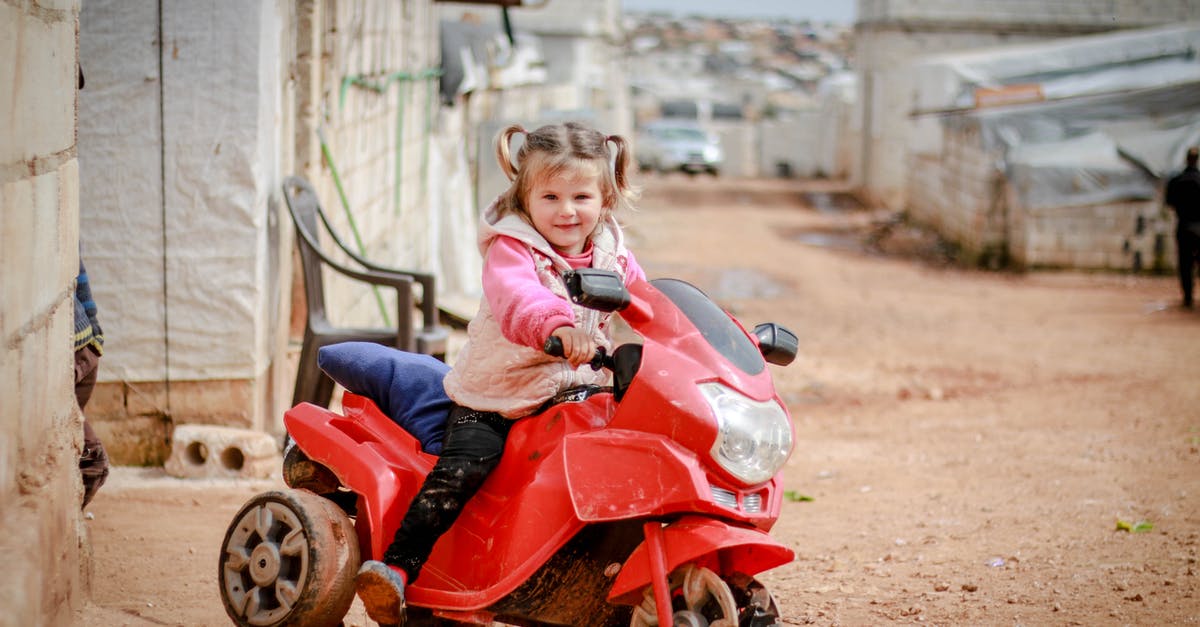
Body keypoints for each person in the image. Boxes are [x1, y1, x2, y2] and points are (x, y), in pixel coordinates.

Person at [354, 121, 645, 625]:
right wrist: (557, 327)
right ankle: (398, 568)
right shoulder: (512, 249)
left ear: (606, 198)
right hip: (499, 394)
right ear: (524, 195)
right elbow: (519, 299)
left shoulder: (612, 253)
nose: (567, 210)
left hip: (575, 391)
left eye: (581, 196)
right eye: (550, 196)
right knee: (464, 469)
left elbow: (646, 301)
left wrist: (696, 333)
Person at [75, 257, 110, 507]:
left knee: (89, 464)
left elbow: (78, 271)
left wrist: (96, 336)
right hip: (77, 355)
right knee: (92, 463)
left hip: (83, 352)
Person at [1165, 146, 1200, 308]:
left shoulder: (1176, 180)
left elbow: (1170, 203)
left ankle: (1188, 298)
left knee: (1185, 264)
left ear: (1187, 159)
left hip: (1184, 225)